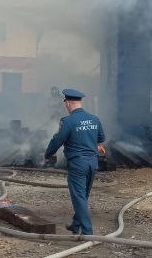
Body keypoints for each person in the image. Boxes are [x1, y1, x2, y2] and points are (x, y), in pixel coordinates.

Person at [43, 88, 105, 235]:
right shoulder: (95, 119)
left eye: (66, 104)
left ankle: (87, 231)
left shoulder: (68, 121)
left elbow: (57, 140)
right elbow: (100, 139)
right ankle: (76, 225)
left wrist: (48, 154)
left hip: (78, 164)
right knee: (83, 195)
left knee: (79, 197)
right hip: (92, 163)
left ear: (69, 103)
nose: (65, 106)